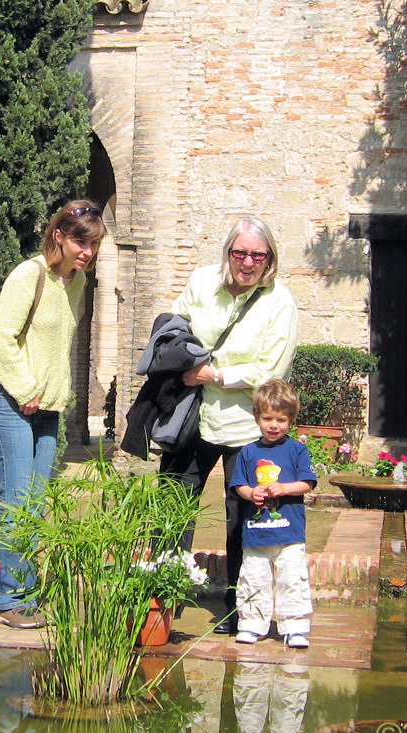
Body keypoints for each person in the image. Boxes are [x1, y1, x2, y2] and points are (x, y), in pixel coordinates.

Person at [160, 216, 299, 634]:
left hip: (247, 429)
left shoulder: (280, 302)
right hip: (192, 419)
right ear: (228, 253)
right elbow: (174, 328)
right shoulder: (202, 282)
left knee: (244, 520)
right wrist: (185, 359)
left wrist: (213, 374)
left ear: (269, 258)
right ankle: (162, 602)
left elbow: (271, 369)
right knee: (170, 514)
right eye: (240, 253)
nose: (248, 262)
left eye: (258, 255)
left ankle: (243, 610)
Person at [0, 199, 106, 628]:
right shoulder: (29, 274)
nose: (87, 251)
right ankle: (6, 600)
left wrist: (54, 395)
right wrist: (25, 389)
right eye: (80, 241)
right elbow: (0, 338)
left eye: (94, 244)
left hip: (46, 410)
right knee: (16, 502)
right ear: (59, 236)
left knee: (34, 505)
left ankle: (23, 590)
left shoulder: (75, 283)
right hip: (11, 404)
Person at [229, 379, 316, 648]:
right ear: (257, 417)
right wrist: (250, 493)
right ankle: (253, 625)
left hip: (289, 533)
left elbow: (307, 483)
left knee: (292, 579)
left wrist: (284, 488)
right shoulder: (248, 452)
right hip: (256, 533)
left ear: (291, 419)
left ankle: (295, 626)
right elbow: (238, 484)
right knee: (253, 578)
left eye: (281, 419)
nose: (273, 425)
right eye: (267, 418)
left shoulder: (297, 449)